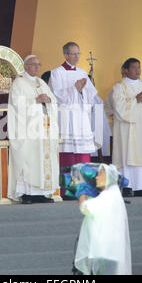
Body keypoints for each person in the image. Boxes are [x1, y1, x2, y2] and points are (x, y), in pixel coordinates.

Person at [48, 42, 98, 198]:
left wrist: (83, 90)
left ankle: (84, 190)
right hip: (66, 119)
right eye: (73, 54)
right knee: (68, 155)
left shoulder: (82, 72)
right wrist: (74, 89)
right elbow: (55, 95)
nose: (77, 56)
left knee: (82, 155)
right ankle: (68, 191)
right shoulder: (57, 73)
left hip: (81, 119)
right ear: (66, 55)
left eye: (78, 53)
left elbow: (91, 95)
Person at [7, 55, 59, 204]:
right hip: (28, 130)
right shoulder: (19, 83)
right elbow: (16, 104)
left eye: (38, 64)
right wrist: (35, 101)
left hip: (43, 129)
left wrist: (48, 100)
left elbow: (53, 100)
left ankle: (42, 193)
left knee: (43, 161)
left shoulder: (42, 82)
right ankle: (27, 194)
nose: (37, 67)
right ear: (26, 66)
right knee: (30, 160)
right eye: (34, 64)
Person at [111, 58, 142, 197]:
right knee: (128, 153)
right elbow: (119, 106)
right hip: (127, 129)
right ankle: (127, 186)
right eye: (134, 67)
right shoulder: (119, 86)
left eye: (139, 67)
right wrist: (135, 100)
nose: (138, 70)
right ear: (126, 70)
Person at [72, 163, 132, 275]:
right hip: (108, 250)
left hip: (106, 251)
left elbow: (85, 208)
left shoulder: (109, 195)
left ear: (109, 177)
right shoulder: (111, 194)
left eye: (101, 174)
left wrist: (81, 190)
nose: (97, 177)